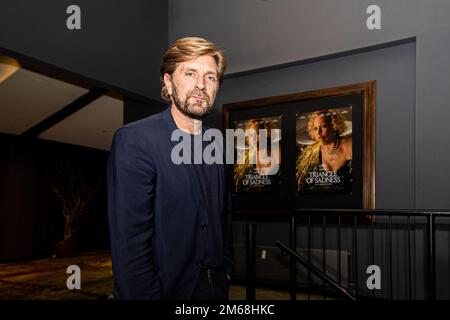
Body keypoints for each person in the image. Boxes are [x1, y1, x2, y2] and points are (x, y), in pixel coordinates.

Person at [107, 37, 233, 300]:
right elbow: (129, 242)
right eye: (190, 73)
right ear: (168, 82)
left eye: (210, 77)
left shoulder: (217, 144)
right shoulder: (136, 140)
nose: (201, 85)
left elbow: (223, 217)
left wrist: (226, 273)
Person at [296, 109, 352, 192]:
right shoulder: (312, 153)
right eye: (315, 128)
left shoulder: (348, 145)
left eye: (324, 126)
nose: (318, 132)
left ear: (334, 126)